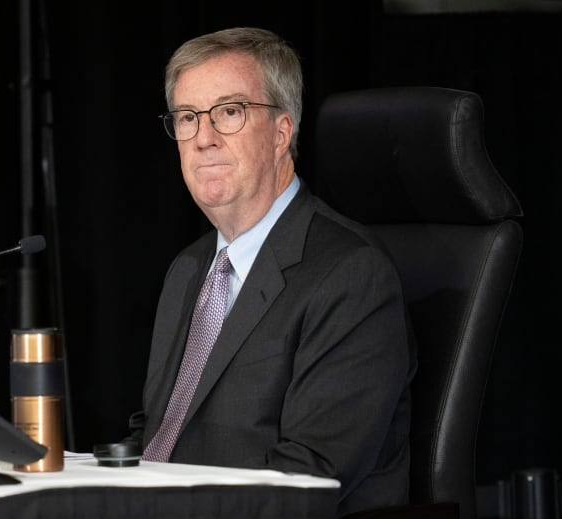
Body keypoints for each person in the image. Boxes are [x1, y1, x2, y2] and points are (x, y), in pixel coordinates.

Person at [126, 27, 416, 516]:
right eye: (187, 118)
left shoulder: (350, 275)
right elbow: (159, 434)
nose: (204, 139)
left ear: (282, 131)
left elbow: (306, 477)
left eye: (230, 113)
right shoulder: (189, 268)